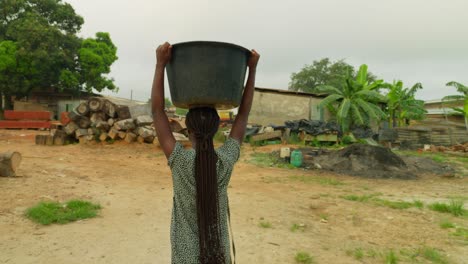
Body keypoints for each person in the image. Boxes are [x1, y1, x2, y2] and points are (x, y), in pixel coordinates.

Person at [151, 42, 260, 264]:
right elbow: (243, 114)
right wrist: (252, 69)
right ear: (217, 128)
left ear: (188, 129)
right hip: (218, 257)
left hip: (185, 258)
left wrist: (160, 64)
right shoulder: (225, 160)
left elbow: (156, 111)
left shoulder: (179, 160)